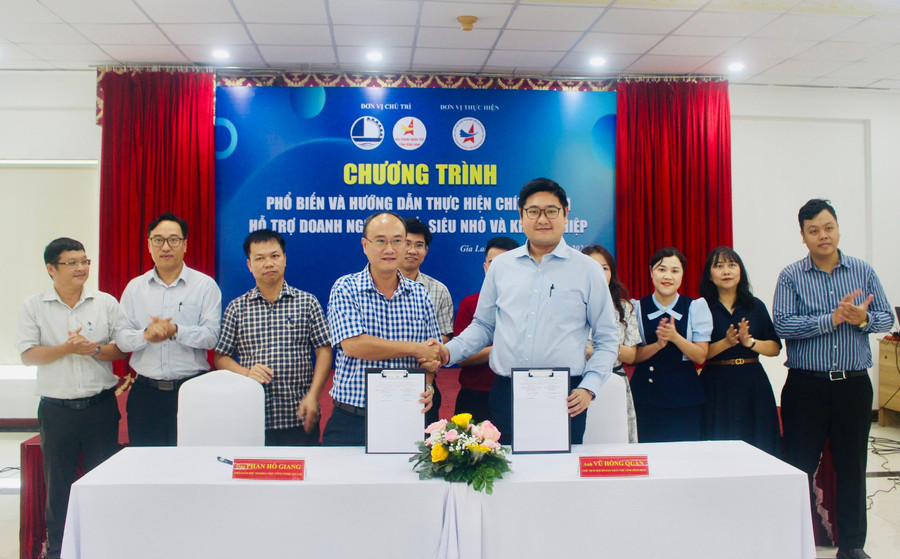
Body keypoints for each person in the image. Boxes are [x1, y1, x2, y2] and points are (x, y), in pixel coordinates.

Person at [442, 178, 619, 445]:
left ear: (566, 214)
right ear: (521, 216)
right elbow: (483, 327)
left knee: (561, 478)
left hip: (565, 395)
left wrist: (588, 387)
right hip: (506, 392)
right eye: (533, 211)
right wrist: (447, 352)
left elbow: (607, 339)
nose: (542, 219)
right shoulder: (501, 266)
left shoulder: (588, 270)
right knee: (505, 476)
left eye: (551, 210)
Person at [773, 199, 892, 559]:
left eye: (828, 228)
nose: (822, 236)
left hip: (852, 386)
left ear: (838, 228)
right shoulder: (791, 276)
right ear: (803, 236)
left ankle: (853, 546)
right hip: (806, 386)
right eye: (814, 231)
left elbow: (886, 319)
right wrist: (832, 319)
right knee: (798, 465)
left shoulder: (863, 271)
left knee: (853, 466)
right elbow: (782, 324)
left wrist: (860, 319)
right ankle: (790, 540)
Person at [14, 238, 126, 559]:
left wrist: (91, 348)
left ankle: (105, 546)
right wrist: (66, 348)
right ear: (51, 269)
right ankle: (60, 550)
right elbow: (28, 355)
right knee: (59, 486)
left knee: (103, 481)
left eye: (85, 261)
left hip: (100, 408)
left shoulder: (105, 303)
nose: (81, 268)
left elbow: (121, 348)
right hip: (57, 411)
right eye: (71, 263)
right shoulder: (33, 307)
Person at [322, 211, 442, 446]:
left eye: (397, 241)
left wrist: (428, 382)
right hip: (354, 418)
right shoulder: (345, 287)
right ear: (365, 245)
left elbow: (432, 356)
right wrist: (416, 349)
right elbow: (354, 345)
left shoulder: (420, 294)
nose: (390, 248)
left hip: (407, 415)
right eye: (380, 241)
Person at [214, 230, 332, 446]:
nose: (268, 263)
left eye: (274, 256)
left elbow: (324, 350)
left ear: (284, 259)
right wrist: (246, 372)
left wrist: (313, 396)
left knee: (302, 476)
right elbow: (221, 357)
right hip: (251, 417)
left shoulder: (307, 303)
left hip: (298, 416)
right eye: (260, 258)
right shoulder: (237, 308)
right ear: (249, 265)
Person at [116, 212, 222, 446]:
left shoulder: (205, 286)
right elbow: (122, 339)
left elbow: (212, 337)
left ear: (185, 245)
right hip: (146, 394)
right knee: (147, 467)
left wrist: (175, 330)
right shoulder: (135, 288)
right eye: (158, 240)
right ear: (149, 245)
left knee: (192, 465)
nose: (166, 246)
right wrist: (146, 335)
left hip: (192, 391)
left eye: (174, 239)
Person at [699, 246, 781, 455]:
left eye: (731, 265)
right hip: (715, 383)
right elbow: (697, 354)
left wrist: (750, 342)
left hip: (752, 383)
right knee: (717, 446)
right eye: (719, 266)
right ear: (709, 274)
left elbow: (774, 348)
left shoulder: (755, 306)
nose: (726, 271)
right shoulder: (701, 307)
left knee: (757, 443)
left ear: (740, 271)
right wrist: (725, 343)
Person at [631, 247, 712, 442]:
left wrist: (675, 337)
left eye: (675, 271)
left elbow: (701, 356)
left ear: (683, 274)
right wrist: (658, 344)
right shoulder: (636, 307)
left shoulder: (695, 307)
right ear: (651, 272)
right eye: (661, 269)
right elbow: (634, 357)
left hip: (684, 397)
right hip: (645, 397)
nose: (668, 276)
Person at [453, 236, 520, 422]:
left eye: (506, 263)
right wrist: (504, 347)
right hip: (475, 396)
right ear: (485, 267)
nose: (499, 269)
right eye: (493, 263)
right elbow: (464, 358)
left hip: (517, 394)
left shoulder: (529, 305)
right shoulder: (469, 303)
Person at [581, 244, 640, 443]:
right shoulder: (569, 307)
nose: (599, 273)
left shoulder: (624, 308)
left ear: (612, 272)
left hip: (615, 382)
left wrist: (599, 349)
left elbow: (631, 355)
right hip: (579, 385)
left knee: (617, 445)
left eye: (604, 268)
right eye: (592, 267)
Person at [401, 216, 453, 424]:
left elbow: (444, 337)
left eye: (419, 245)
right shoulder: (375, 286)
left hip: (424, 385)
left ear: (426, 251)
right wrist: (416, 348)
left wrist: (431, 352)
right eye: (407, 243)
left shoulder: (438, 290)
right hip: (380, 383)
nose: (412, 250)